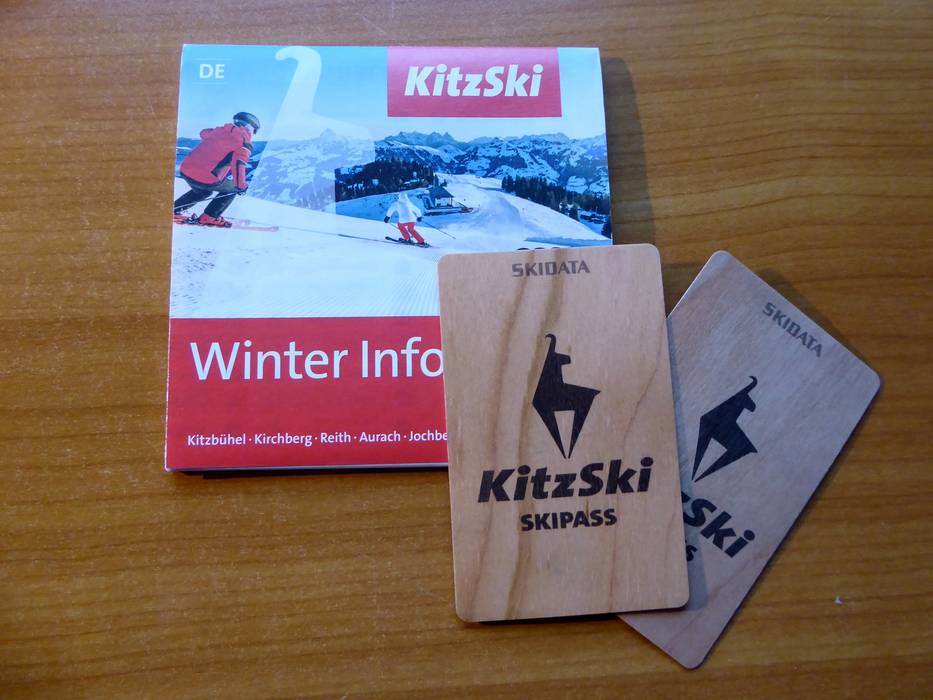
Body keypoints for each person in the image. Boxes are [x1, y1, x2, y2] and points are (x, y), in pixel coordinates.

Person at [173, 112, 260, 227]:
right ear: (249, 127)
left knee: (203, 192)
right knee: (233, 189)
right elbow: (239, 165)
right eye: (254, 131)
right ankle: (210, 217)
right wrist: (241, 186)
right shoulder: (244, 143)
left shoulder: (218, 131)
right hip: (206, 177)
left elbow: (203, 133)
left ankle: (175, 209)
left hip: (185, 170)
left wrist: (219, 133)